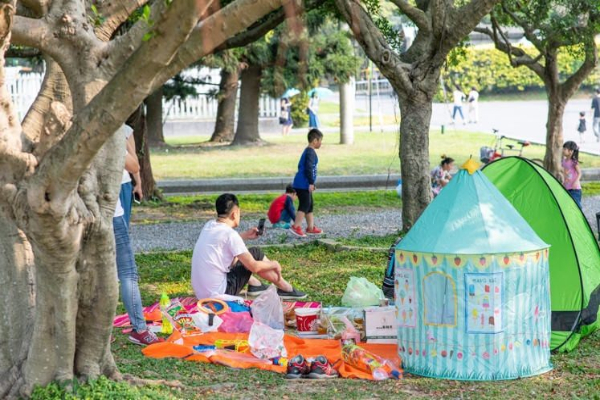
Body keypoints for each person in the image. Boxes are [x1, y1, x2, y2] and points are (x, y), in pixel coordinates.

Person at [191, 193, 307, 300]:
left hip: (201, 293)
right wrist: (274, 264)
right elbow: (254, 267)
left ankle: (256, 285)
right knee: (255, 253)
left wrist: (245, 235)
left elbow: (223, 243)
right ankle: (285, 288)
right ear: (234, 213)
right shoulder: (231, 235)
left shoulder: (209, 225)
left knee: (235, 257)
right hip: (221, 293)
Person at [115, 145, 162, 346]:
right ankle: (140, 329)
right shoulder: (109, 132)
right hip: (110, 212)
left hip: (80, 209)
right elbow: (133, 164)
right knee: (127, 272)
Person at [290, 129, 323, 237]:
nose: (321, 143)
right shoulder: (310, 152)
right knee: (305, 204)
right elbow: (309, 168)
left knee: (309, 205)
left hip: (303, 183)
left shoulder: (309, 151)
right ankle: (296, 226)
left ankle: (310, 227)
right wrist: (311, 182)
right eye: (320, 140)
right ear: (314, 140)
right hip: (303, 184)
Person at [120, 124, 143, 226]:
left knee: (123, 222)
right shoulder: (124, 130)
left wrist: (138, 183)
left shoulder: (125, 129)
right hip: (121, 183)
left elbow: (133, 161)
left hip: (123, 183)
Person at [562, 141, 582, 208]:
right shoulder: (564, 161)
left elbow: (579, 173)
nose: (563, 150)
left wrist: (576, 182)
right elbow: (565, 172)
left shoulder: (574, 162)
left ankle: (580, 217)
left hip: (575, 189)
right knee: (568, 206)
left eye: (565, 149)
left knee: (576, 206)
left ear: (570, 151)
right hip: (567, 188)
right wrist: (563, 182)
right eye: (563, 148)